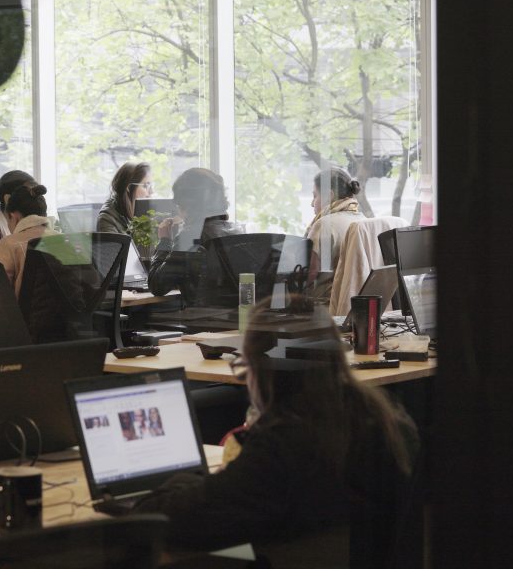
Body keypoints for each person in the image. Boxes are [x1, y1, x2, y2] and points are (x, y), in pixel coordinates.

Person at [134, 299, 418, 562]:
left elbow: (168, 520)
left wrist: (180, 482)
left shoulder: (284, 448)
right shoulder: (386, 419)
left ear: (265, 372)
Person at [146, 168, 242, 303]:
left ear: (187, 205)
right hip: (234, 317)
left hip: (202, 318)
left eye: (179, 204)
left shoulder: (191, 237)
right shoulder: (236, 231)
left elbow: (157, 285)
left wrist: (165, 240)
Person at [304, 167, 365, 300]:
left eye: (315, 196)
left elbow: (309, 275)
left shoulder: (323, 225)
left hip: (324, 306)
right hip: (355, 302)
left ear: (329, 196)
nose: (311, 203)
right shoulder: (362, 220)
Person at [0, 183, 59, 294]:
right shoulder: (65, 240)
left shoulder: (9, 244)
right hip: (70, 310)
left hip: (26, 311)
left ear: (14, 216)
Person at [97, 161, 152, 235]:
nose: (151, 192)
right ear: (129, 187)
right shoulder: (107, 219)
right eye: (145, 186)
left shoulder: (140, 211)